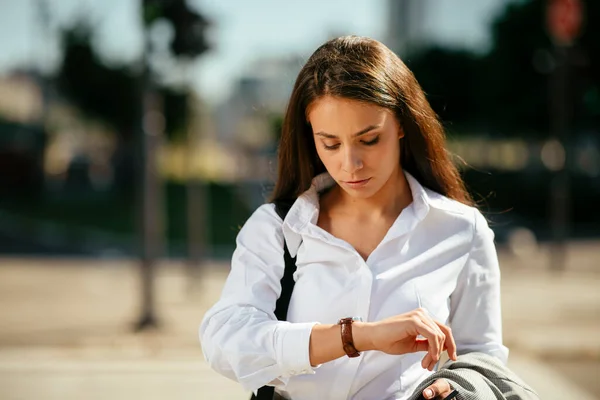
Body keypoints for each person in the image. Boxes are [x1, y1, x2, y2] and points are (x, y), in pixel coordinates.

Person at [199, 35, 508, 400]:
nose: (350, 163)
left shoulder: (461, 230)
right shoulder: (278, 228)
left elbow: (483, 358)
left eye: (369, 139)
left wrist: (453, 385)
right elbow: (225, 339)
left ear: (402, 124)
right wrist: (357, 336)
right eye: (330, 143)